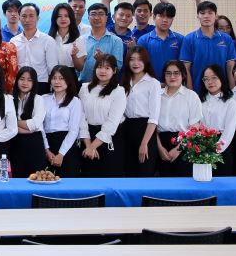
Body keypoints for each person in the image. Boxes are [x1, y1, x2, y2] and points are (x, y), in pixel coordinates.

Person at [78, 53, 127, 177]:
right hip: (87, 138)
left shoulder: (119, 91)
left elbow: (112, 123)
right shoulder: (85, 88)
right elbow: (81, 118)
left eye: (107, 68)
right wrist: (88, 146)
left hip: (109, 138)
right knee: (88, 177)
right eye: (99, 67)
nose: (102, 71)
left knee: (110, 177)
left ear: (114, 70)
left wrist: (93, 147)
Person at [117, 46, 161, 177]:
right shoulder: (123, 82)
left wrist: (144, 143)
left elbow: (154, 117)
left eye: (140, 59)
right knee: (128, 173)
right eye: (132, 59)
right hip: (126, 129)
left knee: (144, 173)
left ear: (146, 61)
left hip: (145, 130)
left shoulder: (153, 83)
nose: (135, 63)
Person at [155, 60, 202, 177]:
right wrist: (159, 148)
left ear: (183, 75)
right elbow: (151, 124)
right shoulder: (156, 95)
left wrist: (178, 149)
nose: (172, 76)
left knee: (184, 182)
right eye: (168, 73)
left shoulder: (191, 96)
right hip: (159, 143)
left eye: (176, 73)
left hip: (184, 144)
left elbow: (195, 127)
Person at [180, 1, 236, 90]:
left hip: (222, 91)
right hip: (198, 91)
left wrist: (233, 92)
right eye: (202, 13)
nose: (206, 16)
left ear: (216, 16)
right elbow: (186, 69)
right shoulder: (189, 39)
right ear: (198, 16)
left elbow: (230, 68)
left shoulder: (227, 39)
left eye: (210, 13)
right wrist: (191, 93)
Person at [41, 66, 83, 177]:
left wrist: (61, 154)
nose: (57, 82)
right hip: (47, 143)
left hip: (67, 145)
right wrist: (47, 150)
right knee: (46, 179)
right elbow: (40, 127)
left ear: (68, 81)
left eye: (61, 78)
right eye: (54, 78)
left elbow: (74, 130)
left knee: (68, 181)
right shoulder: (43, 99)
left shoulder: (75, 101)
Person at [197, 64, 236, 176]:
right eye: (206, 79)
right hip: (201, 146)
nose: (210, 82)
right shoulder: (199, 100)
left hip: (222, 145)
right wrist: (201, 147)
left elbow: (229, 129)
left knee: (221, 180)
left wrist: (216, 149)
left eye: (214, 78)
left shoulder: (230, 102)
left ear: (221, 78)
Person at [12, 3, 59, 94]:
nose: (27, 20)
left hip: (41, 84)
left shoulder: (48, 40)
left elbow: (52, 68)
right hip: (19, 84)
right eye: (24, 16)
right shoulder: (13, 41)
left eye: (31, 16)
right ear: (19, 18)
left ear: (37, 18)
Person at [9, 67, 47, 178]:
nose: (25, 83)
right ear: (17, 80)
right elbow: (6, 124)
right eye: (22, 79)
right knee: (18, 179)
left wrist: (14, 123)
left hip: (34, 144)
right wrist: (27, 128)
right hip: (15, 144)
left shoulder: (38, 99)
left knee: (37, 179)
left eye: (29, 80)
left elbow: (34, 125)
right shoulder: (9, 99)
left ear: (34, 83)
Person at [73, 3, 123, 82]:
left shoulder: (116, 41)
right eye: (93, 14)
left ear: (106, 18)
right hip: (84, 84)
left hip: (107, 85)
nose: (97, 18)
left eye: (101, 14)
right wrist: (74, 56)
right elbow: (78, 68)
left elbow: (118, 67)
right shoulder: (81, 39)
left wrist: (103, 59)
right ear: (88, 17)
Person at [136, 2, 183, 81]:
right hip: (150, 85)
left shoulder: (180, 39)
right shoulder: (143, 40)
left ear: (172, 19)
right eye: (161, 16)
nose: (165, 20)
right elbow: (139, 66)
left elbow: (183, 66)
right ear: (154, 17)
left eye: (169, 17)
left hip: (174, 84)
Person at [48, 2, 80, 69]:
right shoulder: (48, 39)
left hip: (71, 73)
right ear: (55, 18)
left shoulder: (79, 39)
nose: (63, 19)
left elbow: (80, 68)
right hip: (53, 73)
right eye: (59, 16)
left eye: (66, 16)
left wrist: (74, 56)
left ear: (71, 18)